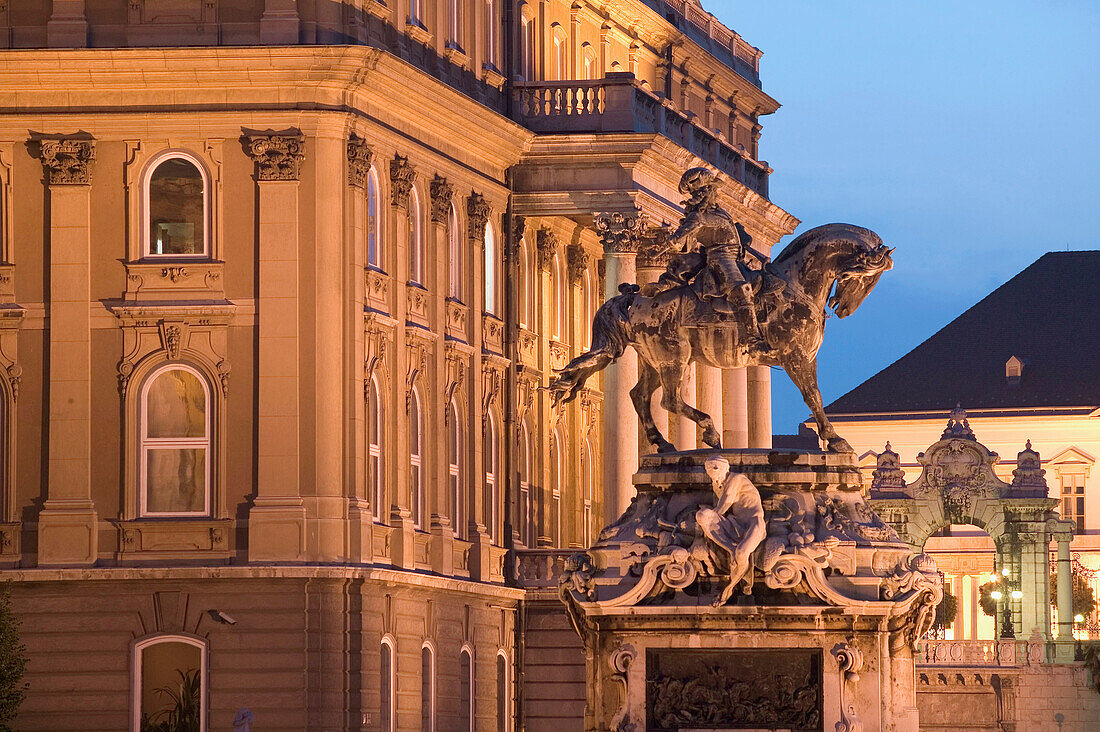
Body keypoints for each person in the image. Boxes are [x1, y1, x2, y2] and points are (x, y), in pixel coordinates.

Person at [648, 167, 772, 356]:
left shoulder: (719, 213)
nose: (715, 193)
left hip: (735, 258)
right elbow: (684, 243)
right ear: (704, 193)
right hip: (720, 259)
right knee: (742, 289)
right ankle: (752, 339)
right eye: (712, 189)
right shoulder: (697, 217)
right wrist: (675, 239)